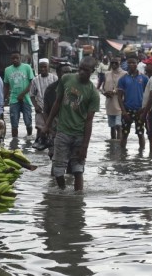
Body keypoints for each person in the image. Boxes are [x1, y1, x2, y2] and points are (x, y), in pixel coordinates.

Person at [42, 57, 99, 191]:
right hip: (62, 132)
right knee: (58, 170)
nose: (82, 72)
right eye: (80, 68)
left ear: (92, 71)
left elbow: (89, 121)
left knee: (78, 170)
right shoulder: (66, 79)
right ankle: (62, 192)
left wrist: (85, 146)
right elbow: (57, 102)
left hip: (79, 135)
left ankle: (77, 200)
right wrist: (47, 125)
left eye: (86, 70)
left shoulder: (93, 93)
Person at [117, 54, 149, 151]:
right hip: (127, 111)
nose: (131, 65)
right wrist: (124, 112)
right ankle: (122, 157)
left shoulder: (144, 78)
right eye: (129, 63)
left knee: (140, 134)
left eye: (133, 63)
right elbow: (119, 97)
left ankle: (141, 157)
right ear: (127, 64)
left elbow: (148, 96)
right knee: (124, 134)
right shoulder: (123, 79)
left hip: (140, 110)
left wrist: (143, 110)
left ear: (137, 63)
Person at [3, 51, 35, 138]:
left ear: (20, 58)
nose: (15, 60)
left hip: (26, 98)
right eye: (13, 58)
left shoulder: (27, 67)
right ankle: (14, 143)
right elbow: (6, 85)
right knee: (14, 123)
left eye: (17, 58)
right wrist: (3, 99)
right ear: (11, 59)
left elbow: (32, 83)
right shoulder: (7, 70)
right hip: (13, 99)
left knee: (28, 122)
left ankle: (29, 138)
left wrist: (23, 94)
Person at [30, 58, 57, 145]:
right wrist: (36, 106)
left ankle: (52, 145)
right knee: (40, 128)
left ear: (48, 67)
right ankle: (39, 145)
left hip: (52, 108)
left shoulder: (54, 78)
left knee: (52, 129)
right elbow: (32, 95)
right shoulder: (35, 80)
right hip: (40, 108)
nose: (43, 69)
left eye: (45, 67)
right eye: (41, 67)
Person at [101, 56, 126, 140]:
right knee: (112, 127)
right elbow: (103, 87)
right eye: (112, 63)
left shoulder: (124, 74)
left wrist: (114, 92)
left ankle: (119, 146)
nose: (114, 64)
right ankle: (112, 147)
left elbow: (126, 88)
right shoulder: (107, 74)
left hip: (120, 103)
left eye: (116, 63)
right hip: (109, 102)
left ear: (119, 63)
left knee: (118, 125)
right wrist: (105, 93)